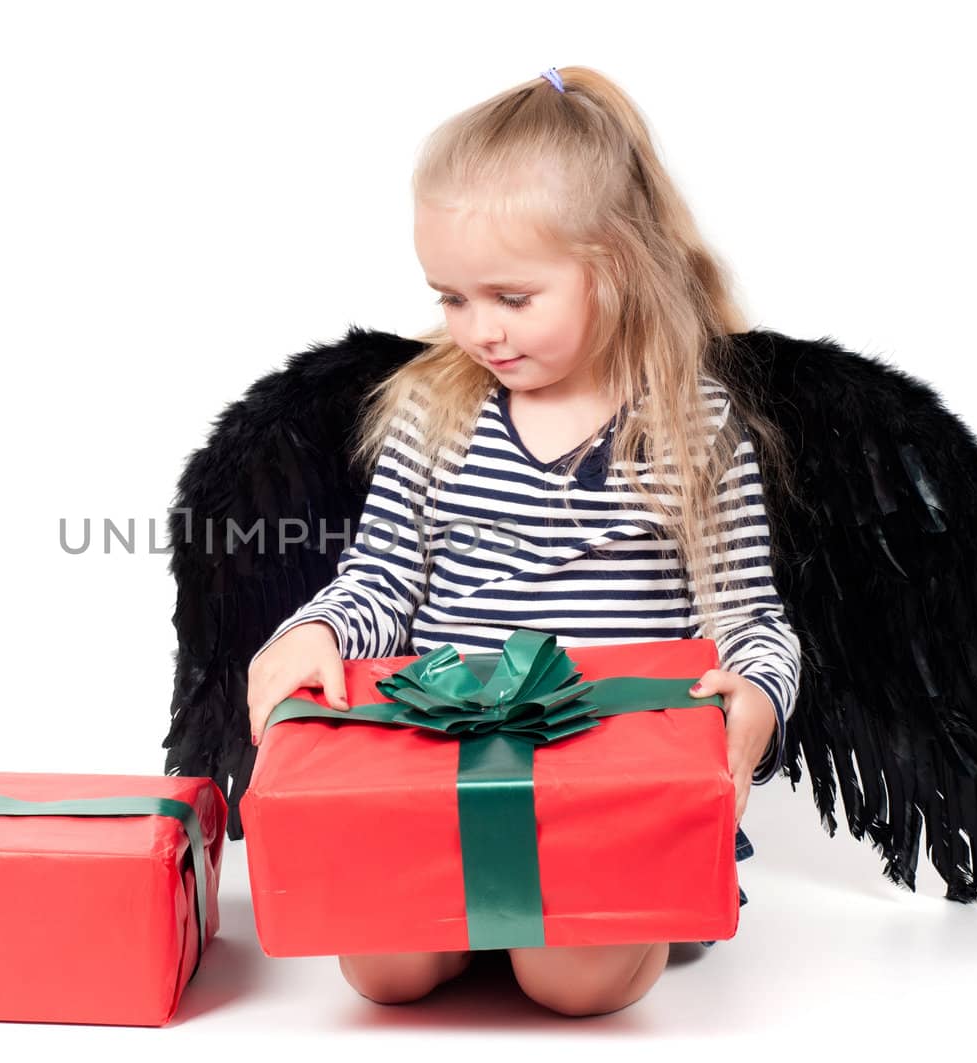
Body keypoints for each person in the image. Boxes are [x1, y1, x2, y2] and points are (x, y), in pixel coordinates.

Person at [243, 65, 802, 1018]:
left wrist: (754, 693)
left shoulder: (693, 426)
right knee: (385, 971)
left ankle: (577, 912)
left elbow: (746, 613)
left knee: (570, 980)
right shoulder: (434, 409)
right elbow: (380, 579)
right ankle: (478, 888)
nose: (477, 330)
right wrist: (323, 630)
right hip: (445, 775)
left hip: (615, 784)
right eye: (452, 298)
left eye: (511, 296)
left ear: (616, 264)